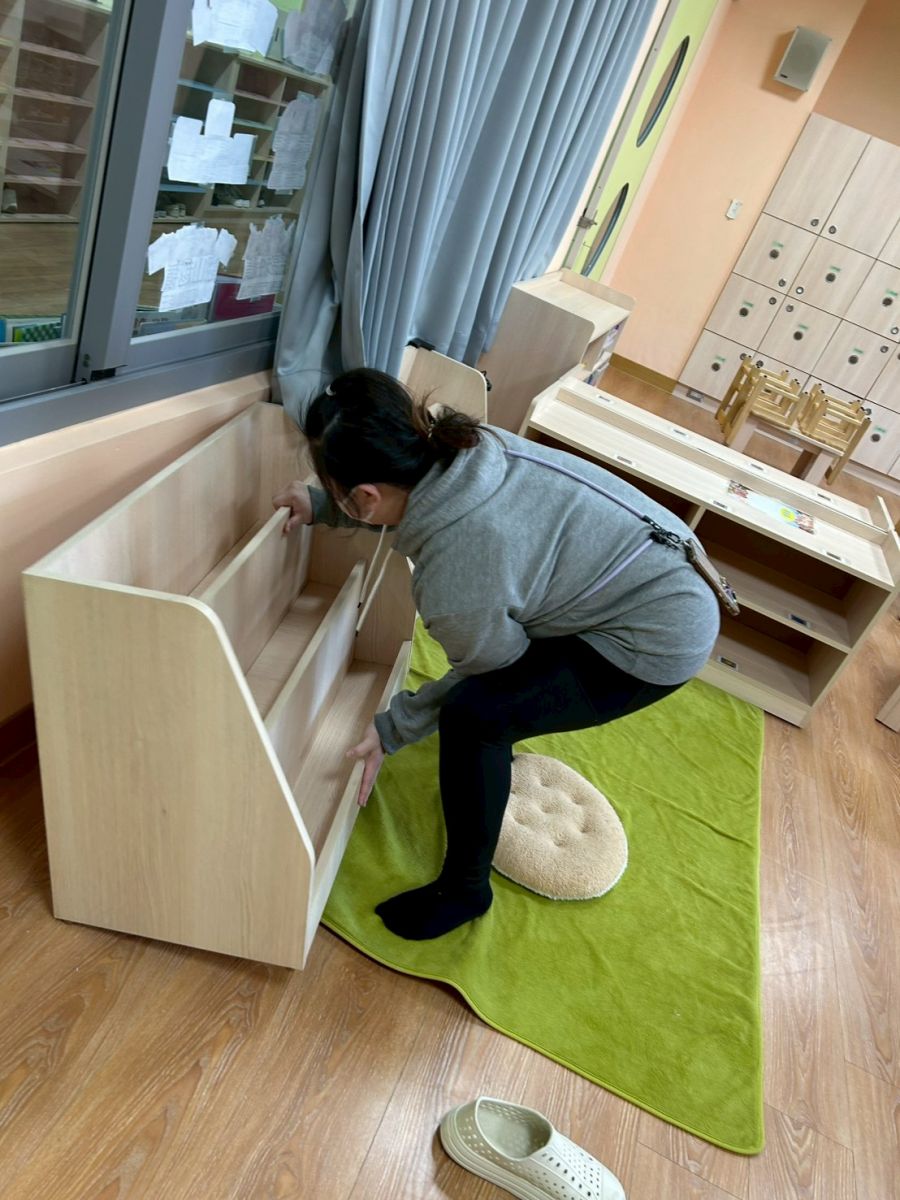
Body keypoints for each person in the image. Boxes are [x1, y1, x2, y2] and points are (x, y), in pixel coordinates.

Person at [273, 368, 720, 941]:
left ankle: (465, 888)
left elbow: (489, 672)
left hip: (656, 640)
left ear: (365, 495)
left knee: (476, 719)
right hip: (658, 575)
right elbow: (402, 502)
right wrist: (324, 504)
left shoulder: (459, 571)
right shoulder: (462, 448)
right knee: (492, 691)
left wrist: (394, 727)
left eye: (337, 490)